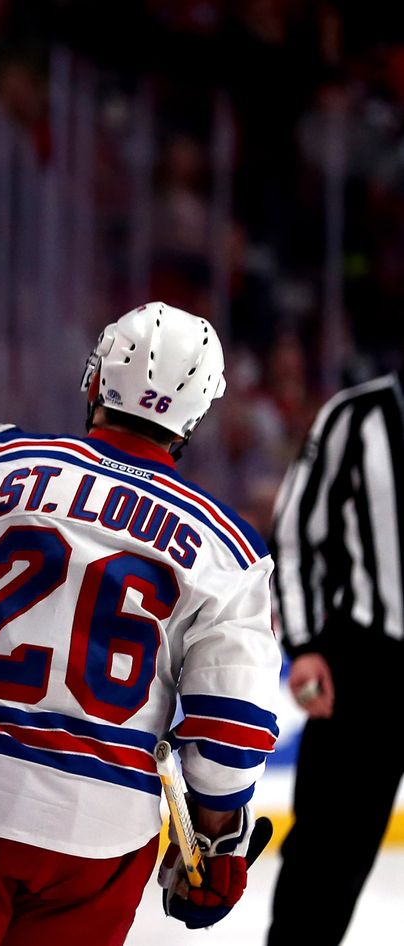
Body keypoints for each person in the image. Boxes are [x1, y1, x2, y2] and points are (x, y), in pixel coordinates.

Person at [0, 303, 279, 945]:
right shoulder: (228, 550)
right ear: (194, 416)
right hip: (100, 837)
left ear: (94, 380)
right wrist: (216, 840)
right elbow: (230, 731)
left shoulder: (6, 464)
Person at [267, 368, 404, 945]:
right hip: (367, 665)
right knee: (324, 859)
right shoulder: (356, 417)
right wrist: (303, 647)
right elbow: (296, 533)